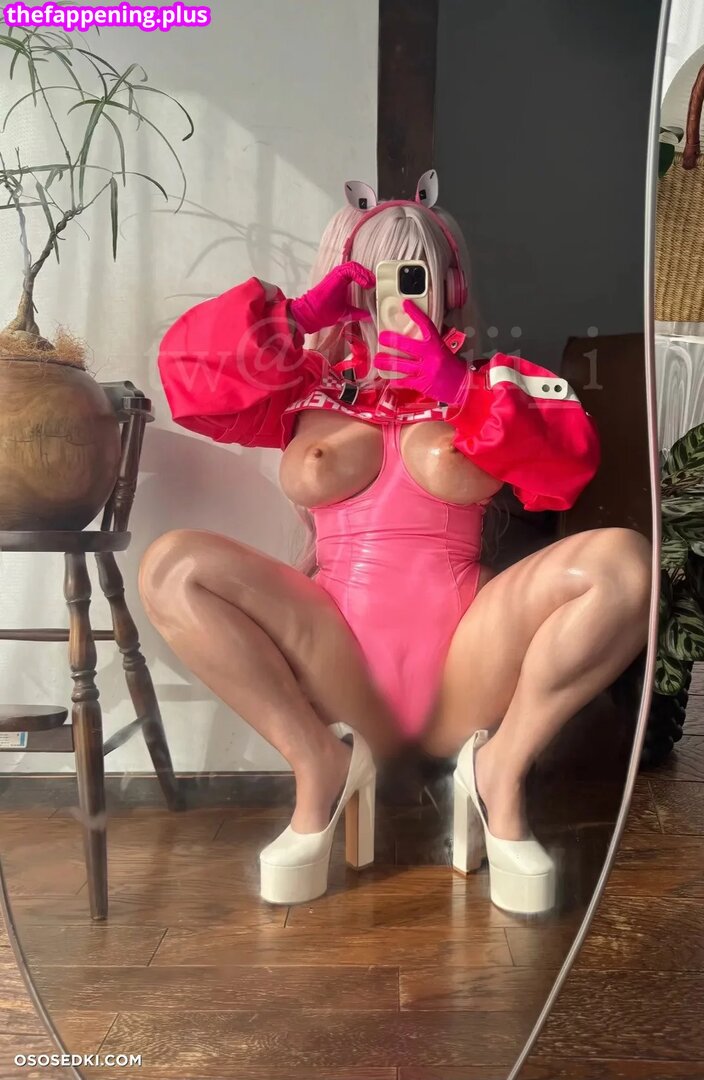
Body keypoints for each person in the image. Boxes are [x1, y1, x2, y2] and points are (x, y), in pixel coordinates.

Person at [139, 173, 651, 914]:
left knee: (626, 566)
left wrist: (459, 393)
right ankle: (318, 764)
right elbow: (186, 377)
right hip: (337, 661)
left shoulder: (493, 381)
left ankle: (500, 773)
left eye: (416, 273)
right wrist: (297, 316)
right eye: (374, 273)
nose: (398, 292)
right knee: (173, 567)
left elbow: (567, 467)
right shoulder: (302, 387)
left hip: (470, 661)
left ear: (452, 283)